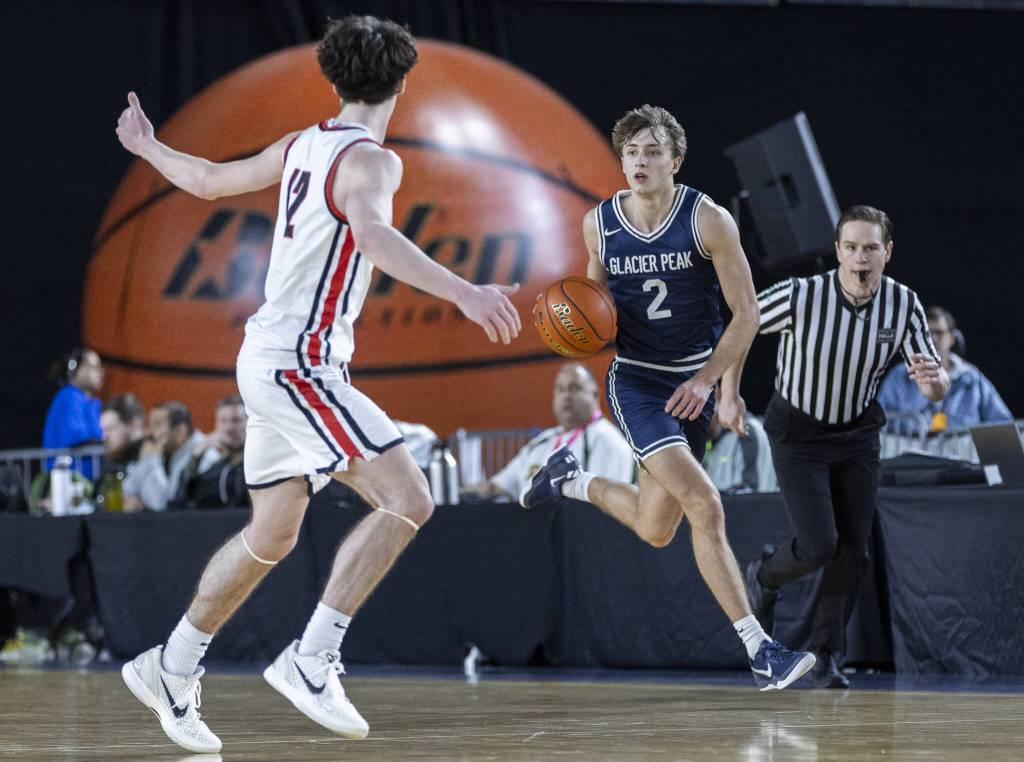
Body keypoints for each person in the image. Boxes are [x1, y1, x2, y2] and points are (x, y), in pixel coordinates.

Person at [114, 15, 519, 754]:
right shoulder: (372, 161)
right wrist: (466, 291)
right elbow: (371, 235)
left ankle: (170, 667)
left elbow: (207, 181)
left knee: (272, 531)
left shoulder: (303, 144)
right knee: (410, 497)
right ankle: (311, 658)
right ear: (403, 81)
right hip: (298, 363)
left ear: (332, 80)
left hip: (268, 358)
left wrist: (146, 147)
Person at [523, 105, 814, 691]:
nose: (639, 161)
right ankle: (761, 651)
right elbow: (591, 303)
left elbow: (748, 314)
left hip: (692, 384)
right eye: (631, 151)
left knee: (657, 528)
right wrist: (568, 322)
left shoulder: (708, 220)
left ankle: (567, 480)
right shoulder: (599, 223)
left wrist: (710, 381)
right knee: (705, 504)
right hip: (636, 382)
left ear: (675, 161)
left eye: (652, 151)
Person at [741, 205, 949, 688]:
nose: (860, 257)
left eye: (870, 248)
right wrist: (729, 393)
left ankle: (826, 654)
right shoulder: (802, 294)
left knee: (852, 549)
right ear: (837, 251)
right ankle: (765, 576)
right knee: (819, 544)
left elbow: (933, 387)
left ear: (887, 253)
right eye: (851, 247)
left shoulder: (904, 305)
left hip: (856, 434)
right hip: (798, 431)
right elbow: (743, 323)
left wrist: (935, 382)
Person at [463, 362, 635, 501]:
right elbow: (498, 486)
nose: (566, 395)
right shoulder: (542, 442)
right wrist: (454, 492)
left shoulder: (608, 440)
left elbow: (607, 506)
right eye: (560, 389)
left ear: (595, 395)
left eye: (574, 388)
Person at [876, 305, 1011, 434]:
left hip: (958, 455)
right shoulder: (901, 376)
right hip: (911, 454)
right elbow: (878, 419)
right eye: (927, 333)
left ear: (952, 338)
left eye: (939, 333)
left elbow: (1002, 423)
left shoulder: (972, 378)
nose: (933, 339)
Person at [122, 401, 204, 512]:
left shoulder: (202, 457)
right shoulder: (167, 453)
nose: (149, 432)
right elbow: (127, 490)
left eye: (157, 425)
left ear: (181, 431)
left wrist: (151, 459)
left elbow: (164, 505)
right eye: (150, 425)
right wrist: (131, 499)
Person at [171, 395, 248, 510]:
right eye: (223, 422)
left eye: (236, 420)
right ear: (216, 426)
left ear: (249, 423)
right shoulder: (216, 470)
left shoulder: (259, 465)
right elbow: (180, 503)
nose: (229, 428)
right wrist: (196, 456)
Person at [42, 348, 104, 479]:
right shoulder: (69, 397)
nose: (100, 371)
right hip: (69, 480)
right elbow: (77, 438)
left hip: (90, 478)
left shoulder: (93, 403)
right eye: (95, 366)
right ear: (79, 370)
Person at [703, 412, 777, 493]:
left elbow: (747, 491)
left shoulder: (745, 431)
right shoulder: (718, 439)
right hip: (729, 503)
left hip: (750, 504)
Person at [100, 393, 146, 473]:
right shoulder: (112, 457)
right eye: (102, 430)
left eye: (110, 429)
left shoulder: (149, 461)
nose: (104, 437)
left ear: (135, 425)